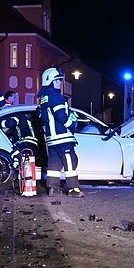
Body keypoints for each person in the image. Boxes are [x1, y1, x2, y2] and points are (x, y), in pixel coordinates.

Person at [37, 67, 83, 198]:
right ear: (49, 81)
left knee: (54, 164)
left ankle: (53, 188)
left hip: (52, 138)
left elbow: (43, 118)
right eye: (56, 80)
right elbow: (61, 116)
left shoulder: (44, 98)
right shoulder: (56, 96)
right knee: (70, 161)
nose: (59, 83)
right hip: (62, 137)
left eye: (59, 80)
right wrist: (73, 124)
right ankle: (73, 189)